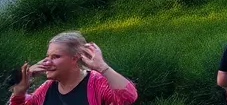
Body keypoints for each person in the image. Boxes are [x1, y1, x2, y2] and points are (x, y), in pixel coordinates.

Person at [7, 31, 137, 105]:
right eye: (47, 56)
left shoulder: (95, 82)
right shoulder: (47, 88)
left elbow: (128, 97)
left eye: (55, 56)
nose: (46, 62)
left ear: (74, 58)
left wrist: (102, 67)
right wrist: (20, 91)